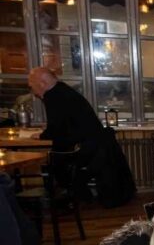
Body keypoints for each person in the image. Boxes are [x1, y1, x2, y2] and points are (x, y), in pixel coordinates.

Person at [28, 67, 135, 207]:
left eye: (32, 86)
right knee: (64, 165)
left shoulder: (54, 95)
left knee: (57, 163)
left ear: (42, 83)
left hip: (87, 147)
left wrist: (41, 136)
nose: (33, 91)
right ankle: (78, 194)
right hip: (95, 145)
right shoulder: (63, 91)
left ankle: (69, 197)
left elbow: (57, 128)